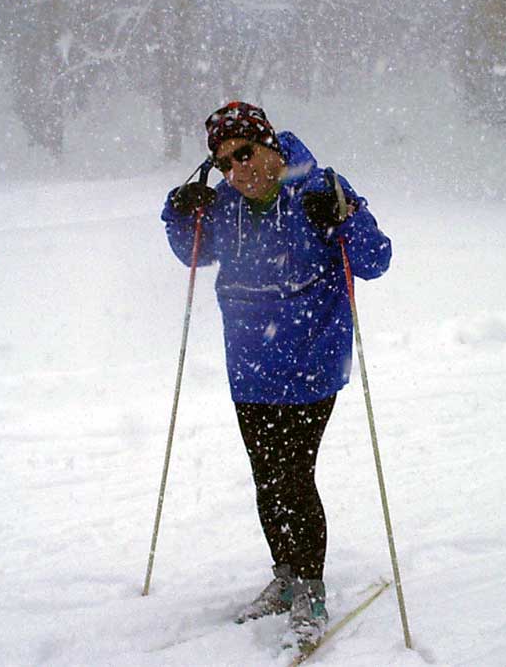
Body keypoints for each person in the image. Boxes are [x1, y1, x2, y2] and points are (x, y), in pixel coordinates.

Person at [160, 101, 391, 649]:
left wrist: (346, 217)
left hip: (310, 365)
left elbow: (376, 260)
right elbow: (192, 255)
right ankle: (284, 576)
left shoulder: (318, 188)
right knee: (266, 480)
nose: (237, 170)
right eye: (222, 163)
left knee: (292, 475)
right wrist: (178, 214)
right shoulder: (222, 206)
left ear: (268, 145)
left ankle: (310, 587)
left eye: (243, 153)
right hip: (250, 369)